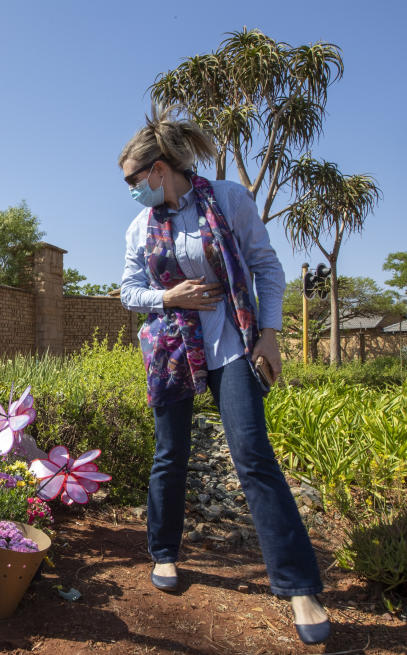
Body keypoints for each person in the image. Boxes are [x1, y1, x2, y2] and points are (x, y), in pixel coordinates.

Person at [118, 105, 330, 645]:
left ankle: (299, 586)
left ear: (159, 170)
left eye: (132, 179)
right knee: (171, 454)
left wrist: (271, 333)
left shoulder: (229, 199)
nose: (129, 190)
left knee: (254, 456)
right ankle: (164, 553)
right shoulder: (140, 227)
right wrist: (170, 295)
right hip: (172, 353)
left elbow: (267, 266)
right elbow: (128, 292)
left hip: (233, 344)